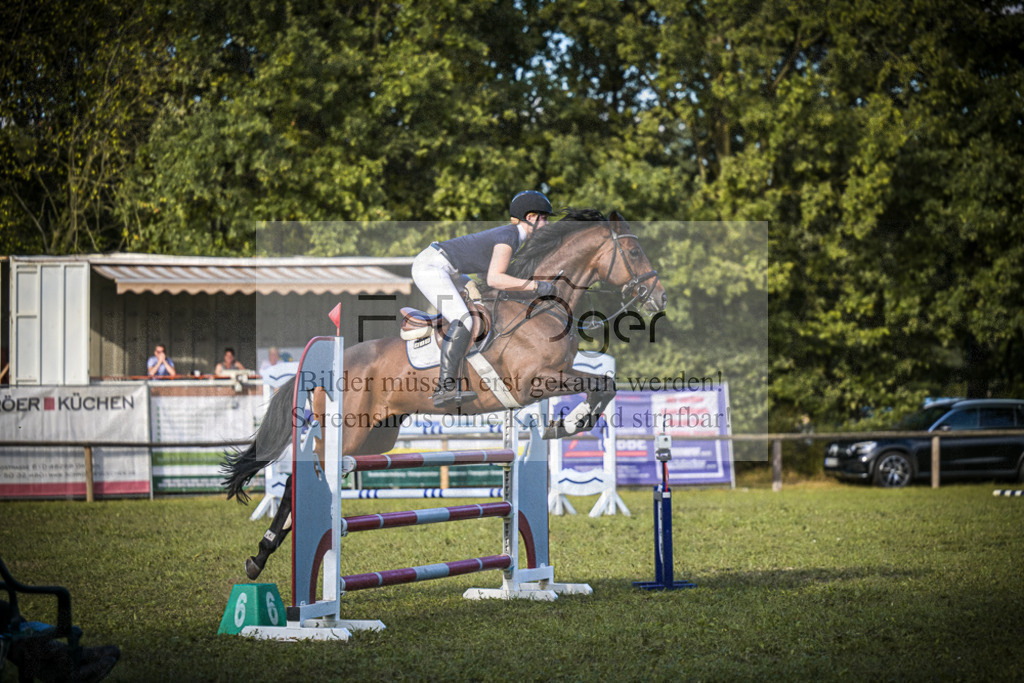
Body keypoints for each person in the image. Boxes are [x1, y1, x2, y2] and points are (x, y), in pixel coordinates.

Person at [411, 190, 556, 409]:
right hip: (432, 266)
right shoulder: (509, 237)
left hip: (453, 270)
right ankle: (445, 386)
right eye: (543, 218)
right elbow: (495, 278)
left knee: (480, 308)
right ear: (531, 217)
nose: (545, 224)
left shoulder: (514, 238)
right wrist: (536, 286)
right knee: (465, 320)